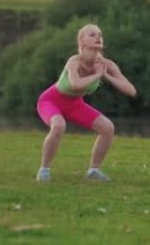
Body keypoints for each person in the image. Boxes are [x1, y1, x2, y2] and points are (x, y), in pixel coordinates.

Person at [35, 24, 136, 182]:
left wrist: (106, 76)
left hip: (75, 104)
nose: (98, 37)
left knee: (107, 128)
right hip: (51, 100)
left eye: (100, 35)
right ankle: (44, 170)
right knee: (59, 125)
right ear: (82, 42)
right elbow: (75, 84)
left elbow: (131, 90)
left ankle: (94, 171)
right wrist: (96, 76)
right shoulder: (74, 61)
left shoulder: (106, 65)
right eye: (92, 35)